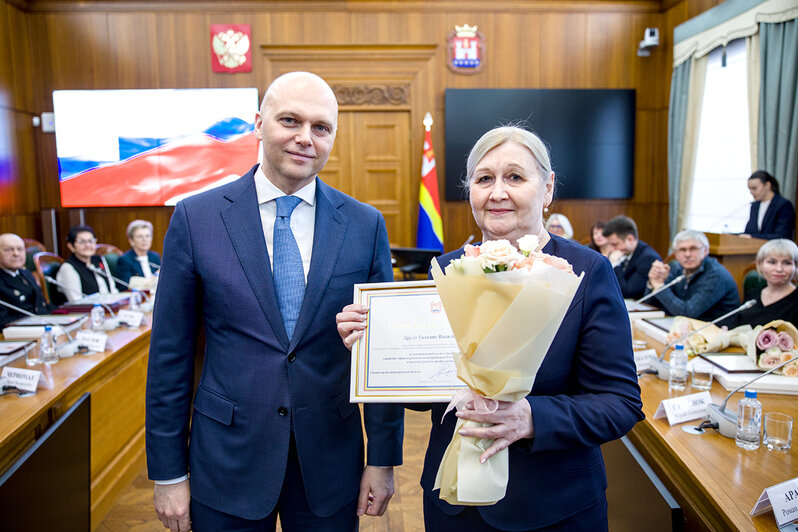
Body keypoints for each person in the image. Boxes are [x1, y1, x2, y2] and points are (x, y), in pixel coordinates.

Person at [338, 126, 644, 531]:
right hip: (454, 504)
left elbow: (620, 402)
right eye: (484, 179)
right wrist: (371, 348)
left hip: (554, 508)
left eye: (515, 177)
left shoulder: (586, 272)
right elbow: (427, 396)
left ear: (548, 188)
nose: (497, 192)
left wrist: (531, 417)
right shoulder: (445, 271)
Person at [145, 71, 403, 532]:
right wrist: (168, 471)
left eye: (321, 128)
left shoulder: (365, 225)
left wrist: (382, 459)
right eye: (290, 120)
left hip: (330, 461)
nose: (306, 138)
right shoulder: (196, 218)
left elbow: (381, 358)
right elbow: (170, 357)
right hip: (226, 460)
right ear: (259, 123)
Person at [644, 230, 739, 321]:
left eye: (693, 249)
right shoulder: (677, 267)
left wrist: (659, 286)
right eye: (682, 250)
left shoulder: (716, 275)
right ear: (676, 254)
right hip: (683, 327)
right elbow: (650, 304)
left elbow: (687, 313)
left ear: (705, 251)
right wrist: (653, 281)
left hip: (715, 332)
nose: (687, 254)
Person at [722, 239, 798, 328]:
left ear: (796, 267)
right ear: (760, 265)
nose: (779, 269)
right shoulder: (753, 294)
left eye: (787, 263)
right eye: (772, 262)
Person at [0, 233, 53, 327]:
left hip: (41, 326)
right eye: (8, 250)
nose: (16, 254)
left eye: (20, 249)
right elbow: (4, 322)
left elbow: (41, 305)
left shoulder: (25, 273)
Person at [603, 215, 661, 300]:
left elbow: (628, 292)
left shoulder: (648, 258)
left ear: (630, 239)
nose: (612, 249)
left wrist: (614, 264)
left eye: (615, 244)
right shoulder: (626, 253)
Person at [56, 225, 118, 302]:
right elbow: (76, 301)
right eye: (81, 241)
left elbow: (112, 289)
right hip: (88, 311)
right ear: (71, 246)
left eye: (91, 240)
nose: (88, 245)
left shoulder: (98, 259)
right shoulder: (68, 268)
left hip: (109, 307)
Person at [742, 170, 795, 240]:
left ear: (767, 185)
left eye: (754, 188)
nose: (751, 192)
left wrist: (752, 237)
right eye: (750, 189)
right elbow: (749, 232)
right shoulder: (755, 206)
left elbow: (782, 235)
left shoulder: (783, 205)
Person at [116, 219, 161, 287]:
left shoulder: (155, 257)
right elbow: (125, 286)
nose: (144, 239)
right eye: (140, 236)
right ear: (131, 240)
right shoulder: (124, 260)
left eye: (147, 236)